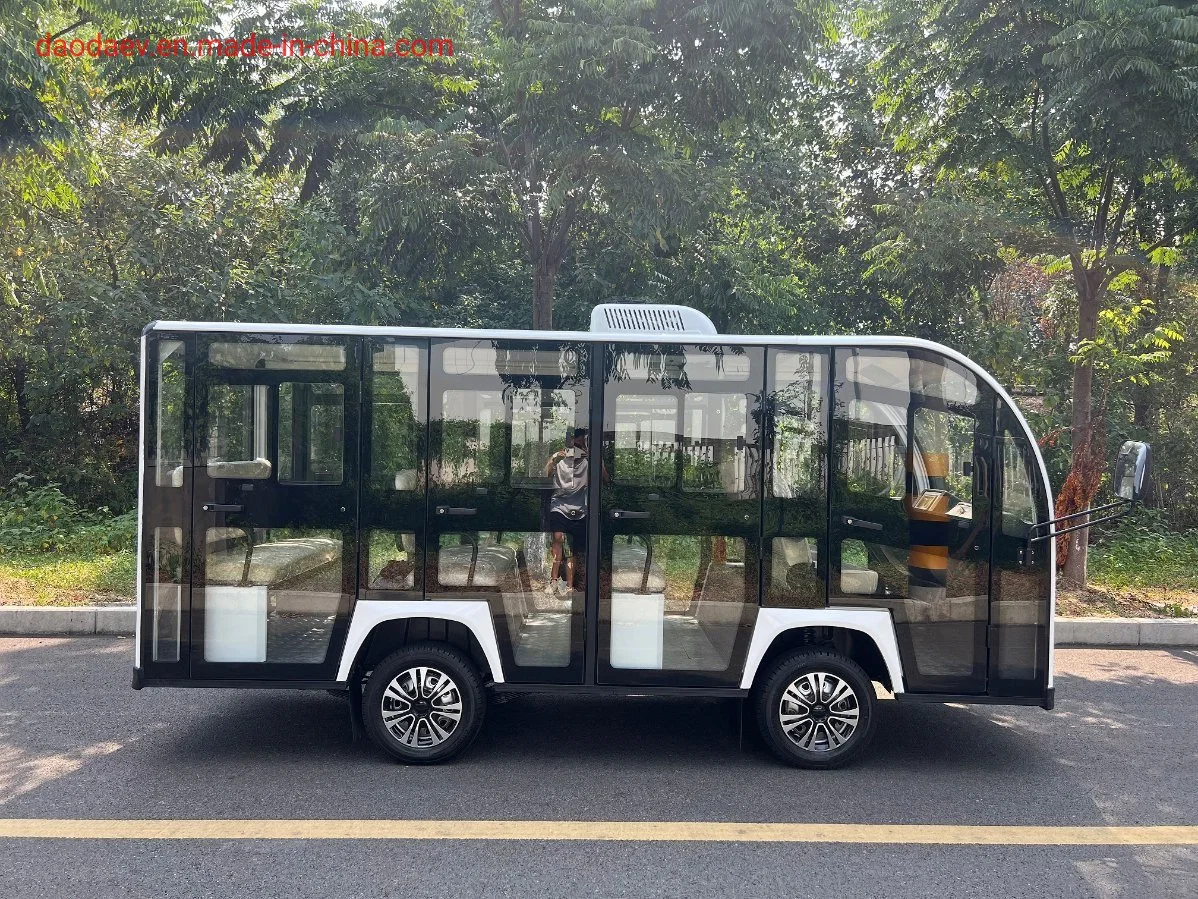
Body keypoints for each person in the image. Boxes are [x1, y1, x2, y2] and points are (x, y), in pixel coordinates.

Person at [543, 429, 591, 595]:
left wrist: (593, 458)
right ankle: (553, 580)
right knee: (558, 538)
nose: (575, 448)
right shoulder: (560, 458)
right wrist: (555, 458)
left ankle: (569, 586)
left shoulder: (587, 462)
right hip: (559, 506)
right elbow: (545, 473)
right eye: (573, 443)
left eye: (579, 444)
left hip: (579, 509)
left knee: (571, 547)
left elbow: (605, 480)